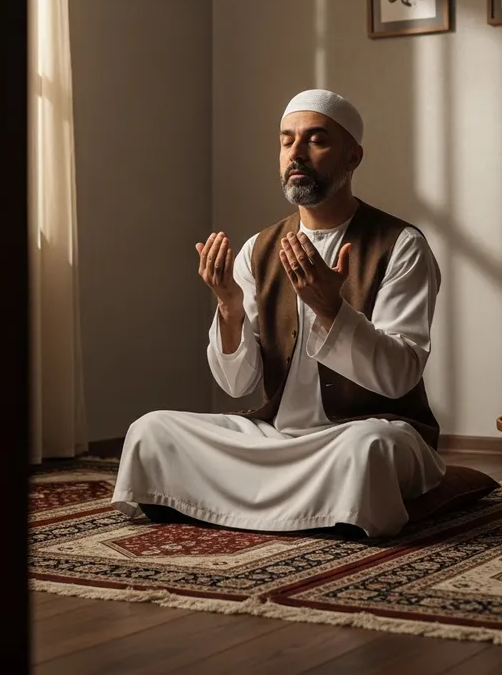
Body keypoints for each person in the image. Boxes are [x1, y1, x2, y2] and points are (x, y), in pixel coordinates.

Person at [111, 88, 445, 537]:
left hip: (363, 434)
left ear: (353, 157)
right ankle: (315, 510)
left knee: (369, 451)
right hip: (273, 438)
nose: (297, 154)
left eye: (316, 140)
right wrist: (229, 308)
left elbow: (398, 376)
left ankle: (235, 504)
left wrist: (333, 310)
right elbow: (237, 385)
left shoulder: (401, 245)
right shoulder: (260, 249)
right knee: (152, 430)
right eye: (287, 141)